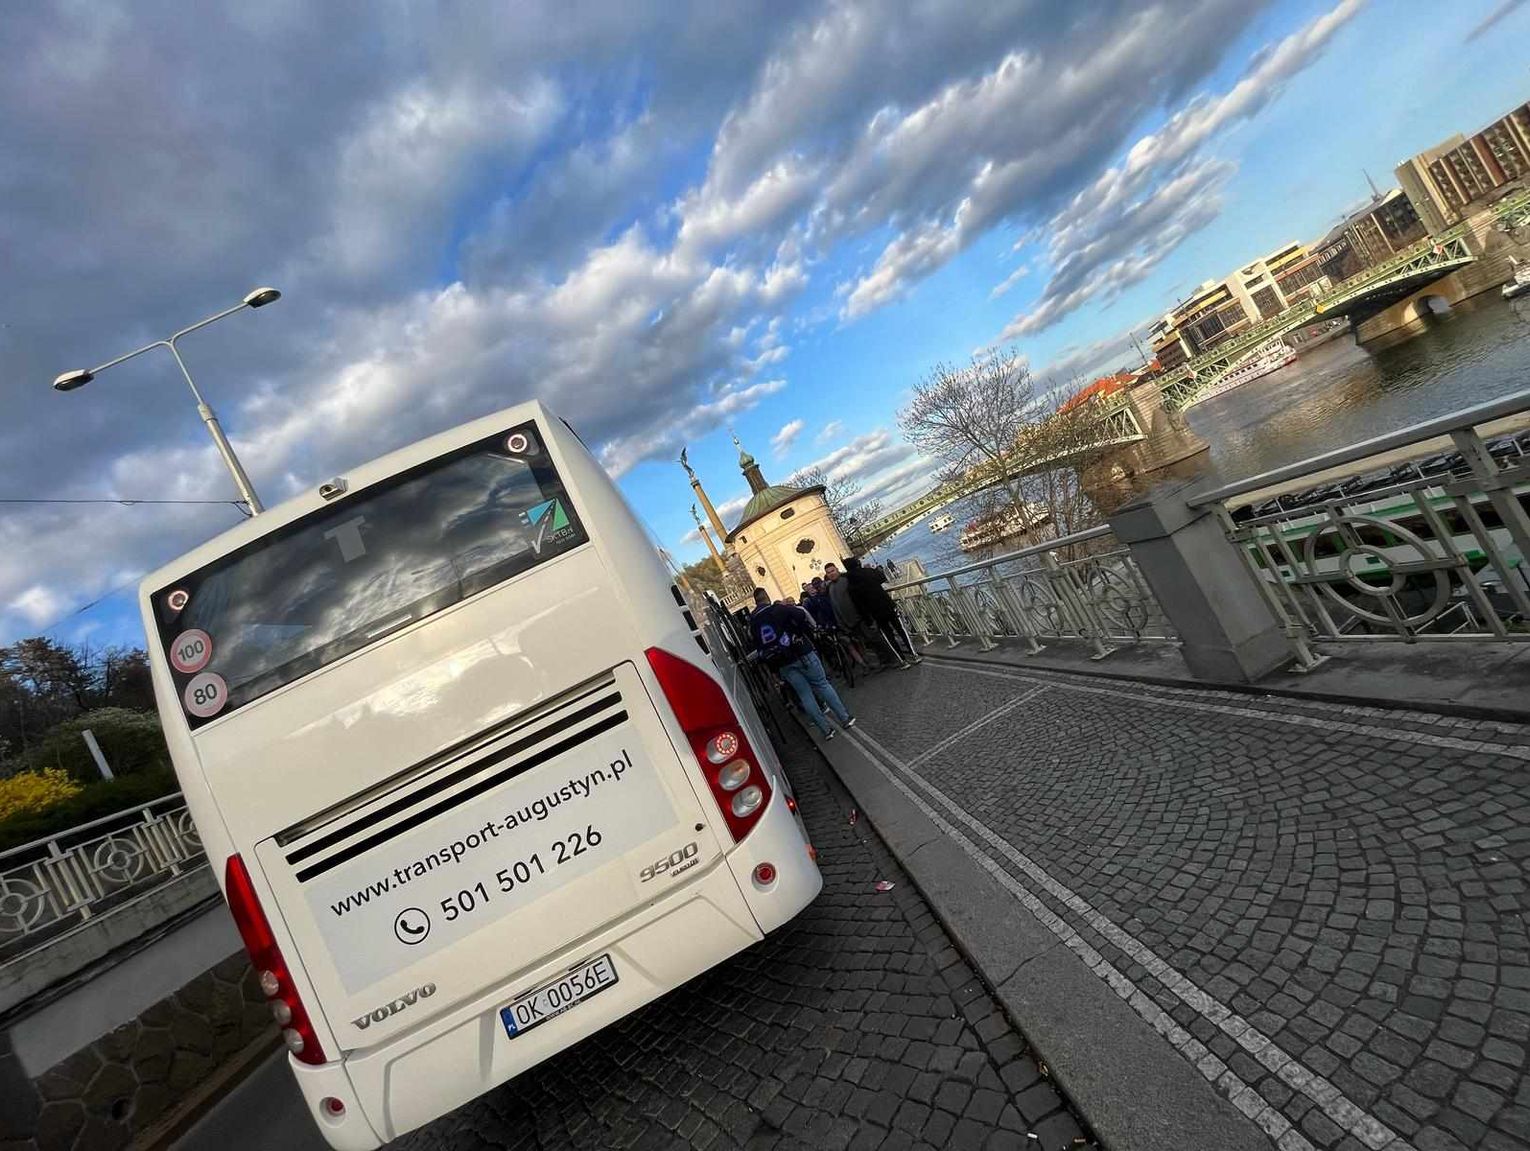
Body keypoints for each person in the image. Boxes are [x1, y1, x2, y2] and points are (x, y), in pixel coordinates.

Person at [746, 586, 855, 739]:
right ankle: (845, 718)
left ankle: (826, 731)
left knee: (804, 695)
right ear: (767, 597)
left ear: (756, 602)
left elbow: (757, 645)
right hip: (801, 652)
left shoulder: (753, 623)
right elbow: (800, 614)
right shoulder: (777, 609)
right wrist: (796, 631)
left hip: (782, 663)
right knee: (822, 685)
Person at [824, 562, 905, 670]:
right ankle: (883, 661)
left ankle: (893, 659)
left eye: (832, 571)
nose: (831, 574)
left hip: (860, 617)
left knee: (876, 638)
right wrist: (842, 623)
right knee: (868, 642)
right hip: (850, 622)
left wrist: (866, 615)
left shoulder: (847, 580)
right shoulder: (830, 588)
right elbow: (835, 606)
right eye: (828, 572)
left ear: (837, 569)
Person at [845, 556, 921, 664]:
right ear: (858, 564)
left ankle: (902, 660)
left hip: (875, 613)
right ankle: (914, 654)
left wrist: (868, 620)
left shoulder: (850, 585)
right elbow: (882, 577)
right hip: (887, 605)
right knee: (901, 630)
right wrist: (873, 569)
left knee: (888, 636)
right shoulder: (868, 572)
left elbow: (858, 605)